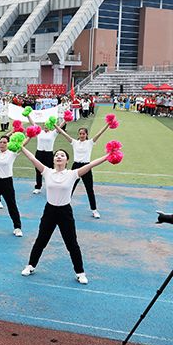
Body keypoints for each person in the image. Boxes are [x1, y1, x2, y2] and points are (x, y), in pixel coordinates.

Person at [19, 145, 110, 284]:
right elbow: (32, 158)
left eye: (62, 155)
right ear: (53, 160)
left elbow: (91, 164)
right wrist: (21, 146)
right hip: (49, 211)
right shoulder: (47, 172)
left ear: (67, 160)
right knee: (41, 240)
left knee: (72, 243)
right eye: (56, 155)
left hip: (65, 212)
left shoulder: (72, 174)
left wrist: (108, 156)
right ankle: (30, 266)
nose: (59, 157)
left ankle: (80, 273)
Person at [55, 119, 110, 219]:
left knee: (89, 189)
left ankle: (94, 210)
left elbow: (99, 133)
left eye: (83, 134)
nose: (81, 135)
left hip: (86, 167)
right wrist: (55, 126)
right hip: (75, 166)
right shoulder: (74, 142)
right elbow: (63, 133)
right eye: (80, 133)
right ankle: (63, 207)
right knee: (70, 187)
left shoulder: (90, 143)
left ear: (86, 134)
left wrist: (107, 125)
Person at [28, 113, 59, 194]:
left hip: (49, 154)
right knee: (38, 170)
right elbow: (33, 123)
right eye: (44, 125)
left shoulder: (53, 133)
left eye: (47, 125)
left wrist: (63, 121)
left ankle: (51, 186)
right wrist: (28, 115)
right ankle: (38, 187)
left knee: (50, 170)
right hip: (39, 153)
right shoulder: (39, 132)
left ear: (50, 126)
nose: (46, 126)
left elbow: (59, 128)